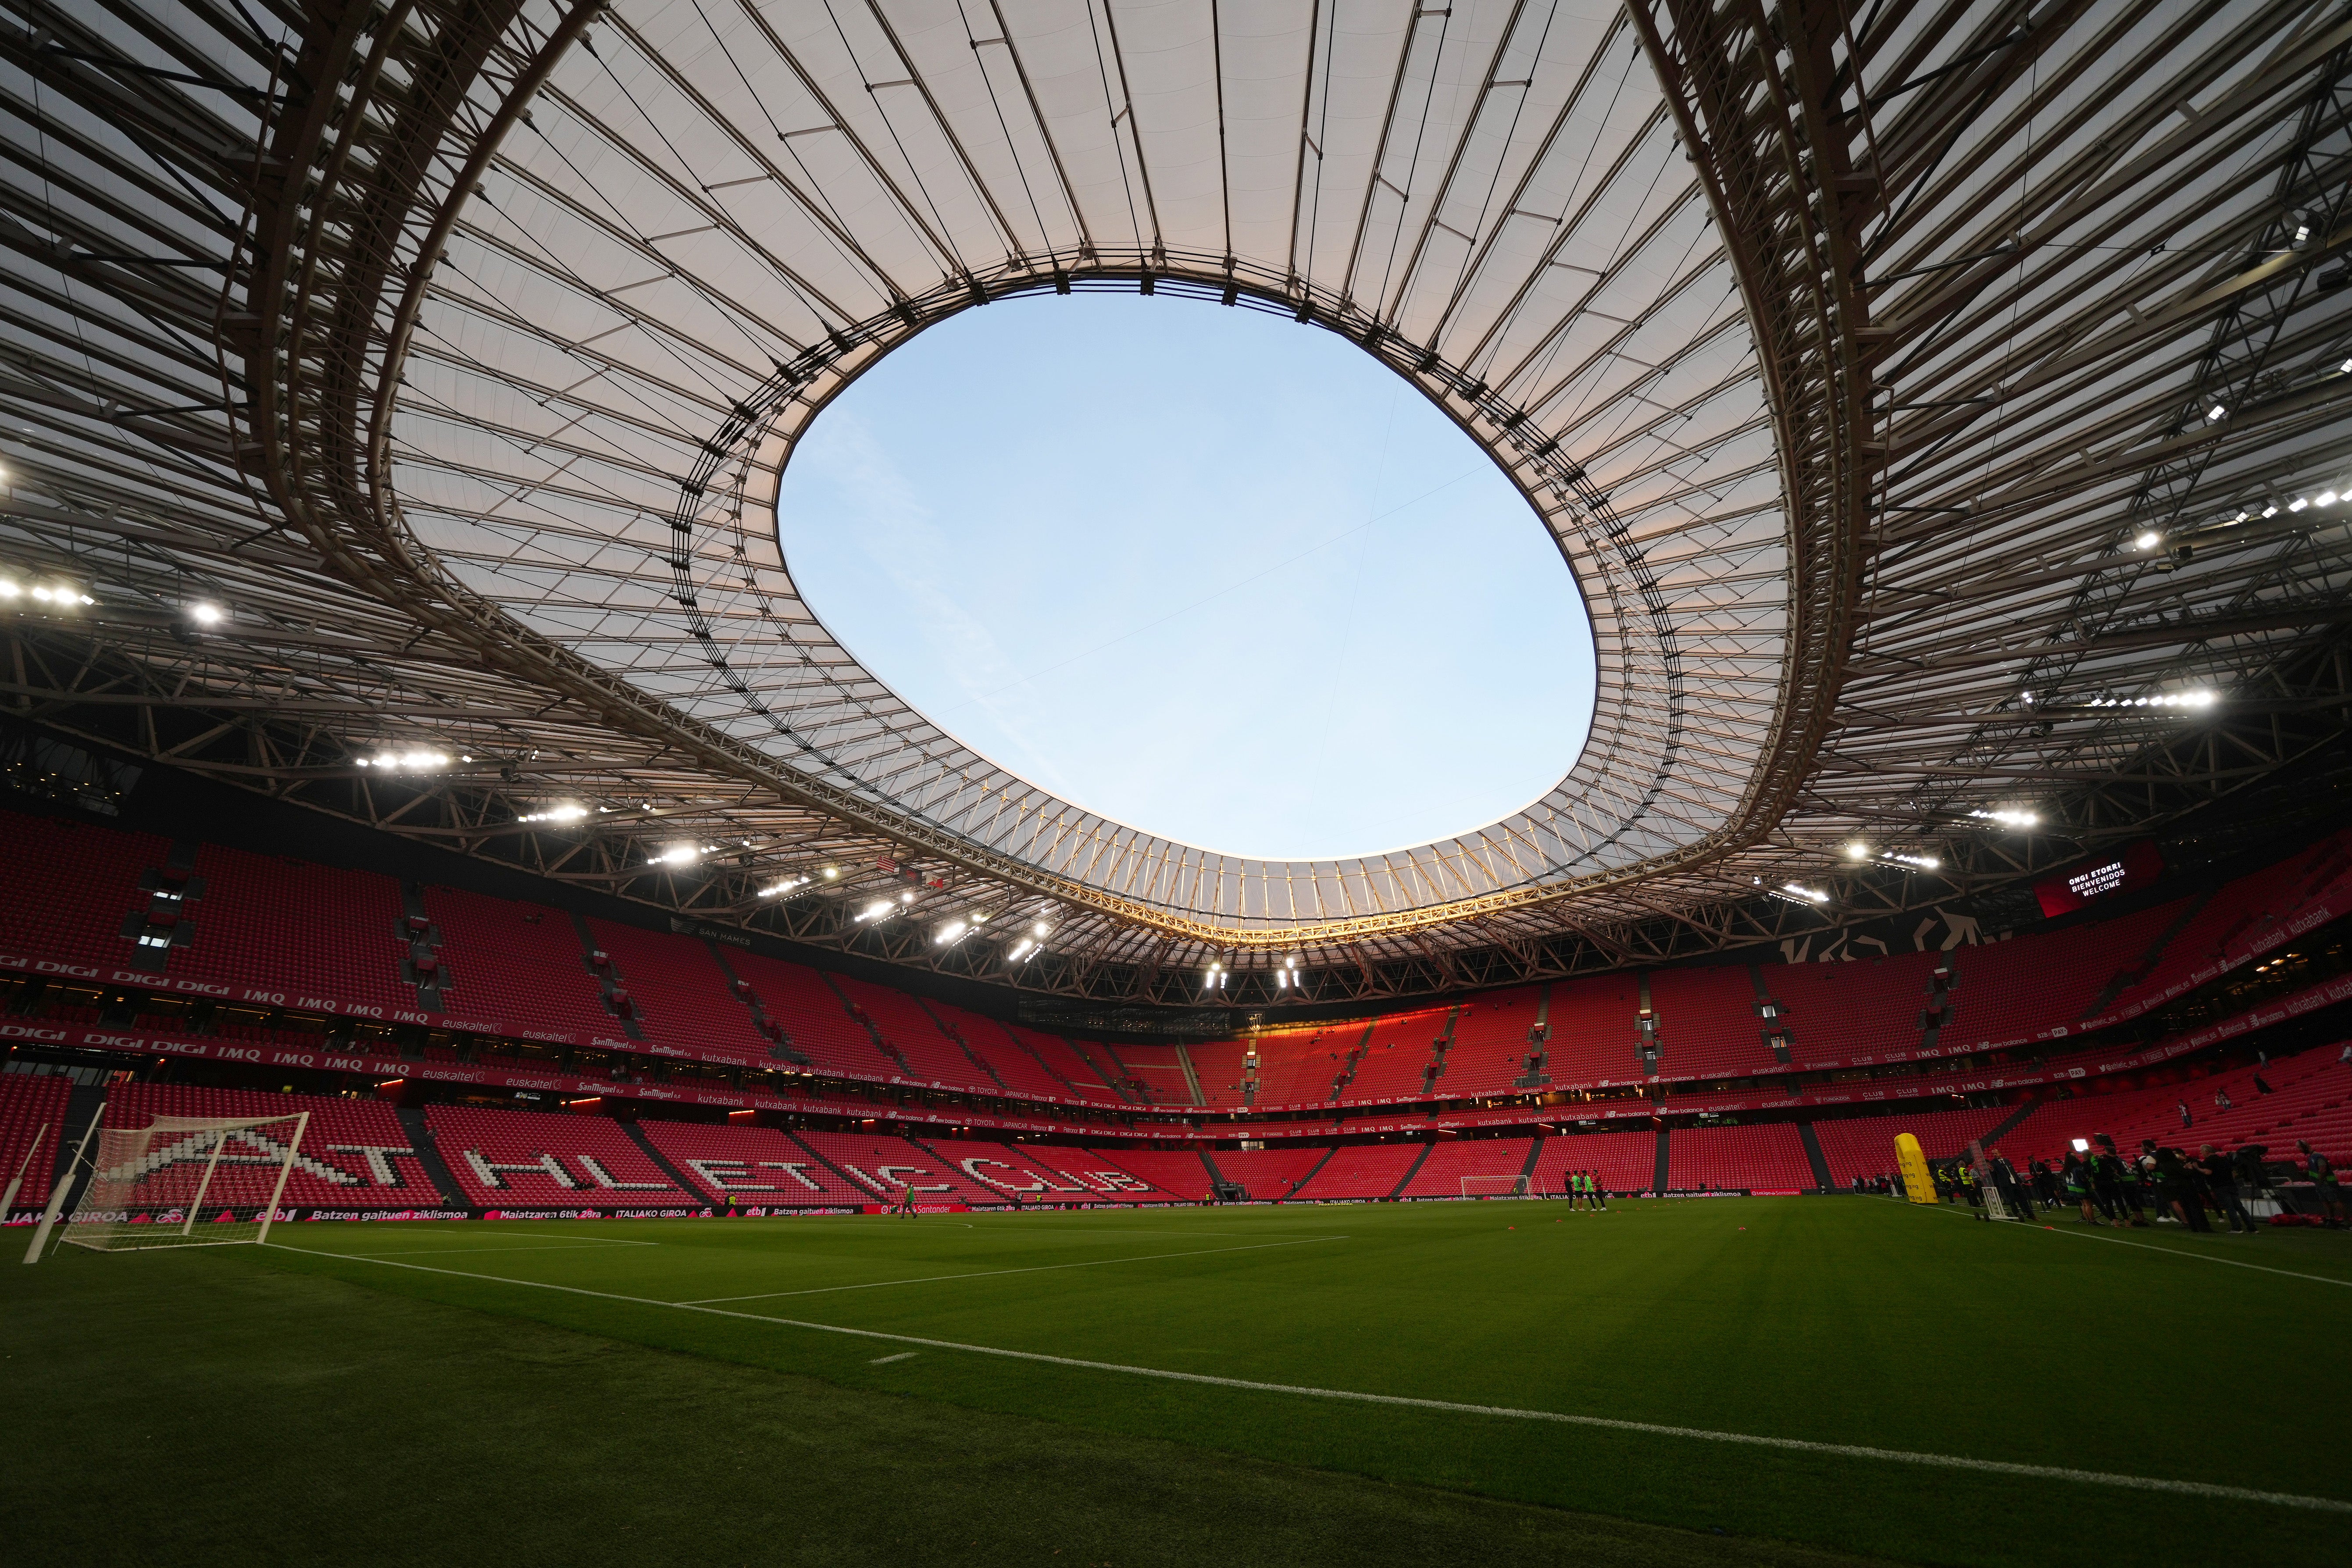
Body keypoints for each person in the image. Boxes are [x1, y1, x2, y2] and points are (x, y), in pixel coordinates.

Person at [2199, 1144, 2255, 1235]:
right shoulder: (2223, 1159)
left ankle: (2237, 1227)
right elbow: (2233, 1173)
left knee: (2230, 1208)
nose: (2201, 1153)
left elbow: (2208, 1172)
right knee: (2240, 1208)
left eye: (2201, 1151)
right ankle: (2252, 1227)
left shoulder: (2209, 1160)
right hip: (2231, 1186)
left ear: (2207, 1151)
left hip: (2220, 1187)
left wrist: (2198, 1168)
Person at [2299, 1140, 2345, 1224]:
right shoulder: (2312, 1157)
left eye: (2300, 1148)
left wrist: (2320, 1181)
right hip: (2320, 1184)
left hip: (2327, 1183)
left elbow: (2323, 1170)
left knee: (2334, 1201)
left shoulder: (2318, 1157)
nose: (2300, 1150)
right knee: (2325, 1201)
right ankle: (2331, 1218)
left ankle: (2347, 1221)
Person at [2062, 1151, 2100, 1224]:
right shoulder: (2077, 1169)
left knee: (2084, 1204)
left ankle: (2088, 1220)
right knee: (2088, 1205)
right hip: (2082, 1188)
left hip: (2075, 1189)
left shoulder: (2067, 1169)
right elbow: (2083, 1179)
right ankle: (2092, 1220)